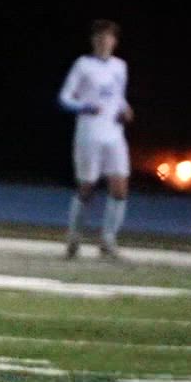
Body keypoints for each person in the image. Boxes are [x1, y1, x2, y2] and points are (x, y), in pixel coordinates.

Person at [59, 20, 133, 259]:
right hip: (89, 133)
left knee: (120, 187)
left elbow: (118, 97)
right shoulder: (83, 65)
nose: (104, 41)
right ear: (93, 40)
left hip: (114, 134)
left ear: (115, 41)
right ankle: (74, 236)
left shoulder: (120, 67)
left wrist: (125, 109)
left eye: (108, 37)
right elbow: (65, 98)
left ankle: (108, 240)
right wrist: (86, 107)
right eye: (100, 37)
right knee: (87, 187)